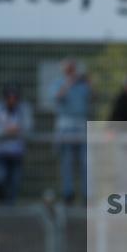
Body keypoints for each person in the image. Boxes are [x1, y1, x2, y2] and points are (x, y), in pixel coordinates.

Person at [50, 59, 91, 205]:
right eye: (69, 69)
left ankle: (86, 195)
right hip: (65, 126)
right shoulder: (59, 83)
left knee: (85, 162)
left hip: (81, 125)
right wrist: (68, 82)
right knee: (66, 161)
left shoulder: (82, 84)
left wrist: (87, 82)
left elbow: (92, 96)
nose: (72, 71)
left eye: (73, 68)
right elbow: (57, 97)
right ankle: (68, 194)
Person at [0, 84, 33, 205]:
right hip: (0, 152)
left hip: (17, 153)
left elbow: (29, 127)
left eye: (15, 98)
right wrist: (4, 131)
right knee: (0, 179)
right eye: (10, 97)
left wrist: (18, 129)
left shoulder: (24, 108)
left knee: (15, 183)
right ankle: (0, 204)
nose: (12, 100)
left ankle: (10, 211)